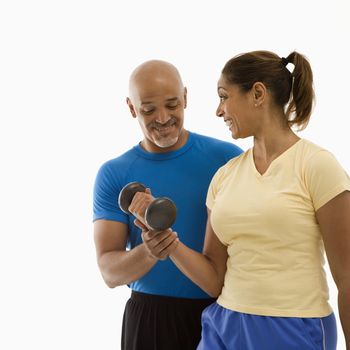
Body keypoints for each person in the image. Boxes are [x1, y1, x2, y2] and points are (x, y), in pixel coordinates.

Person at [133, 51, 350, 349]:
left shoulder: (316, 165)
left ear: (258, 94)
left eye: (224, 96)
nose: (219, 111)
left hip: (293, 325)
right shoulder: (225, 176)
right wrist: (165, 239)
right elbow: (213, 278)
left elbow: (347, 276)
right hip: (224, 323)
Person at [92, 59, 243, 350]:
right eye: (148, 109)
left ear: (186, 97)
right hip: (150, 318)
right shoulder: (114, 173)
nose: (162, 118)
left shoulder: (227, 159)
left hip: (222, 310)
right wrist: (149, 251)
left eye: (172, 105)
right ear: (131, 108)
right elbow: (109, 273)